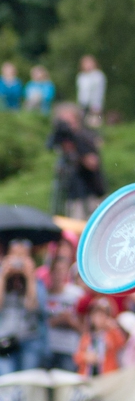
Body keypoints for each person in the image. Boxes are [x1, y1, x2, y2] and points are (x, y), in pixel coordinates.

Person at [47, 103, 106, 220]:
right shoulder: (63, 139)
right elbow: (50, 147)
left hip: (90, 194)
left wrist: (76, 147)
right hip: (71, 195)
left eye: (70, 121)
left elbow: (93, 163)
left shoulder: (85, 137)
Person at [0, 239, 47, 374]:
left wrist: (30, 277)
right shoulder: (2, 277)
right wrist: (3, 276)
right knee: (7, 382)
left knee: (27, 383)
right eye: (15, 256)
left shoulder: (36, 282)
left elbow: (32, 307)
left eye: (23, 257)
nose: (18, 262)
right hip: (5, 341)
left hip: (29, 342)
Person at [44, 256, 84, 371]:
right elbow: (40, 324)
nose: (58, 275)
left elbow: (84, 327)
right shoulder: (44, 295)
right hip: (49, 348)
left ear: (66, 273)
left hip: (70, 349)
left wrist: (70, 321)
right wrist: (59, 320)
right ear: (50, 273)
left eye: (61, 271)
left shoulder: (77, 295)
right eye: (55, 271)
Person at [73, 298, 126, 376]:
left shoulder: (111, 334)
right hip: (88, 374)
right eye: (95, 315)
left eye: (102, 315)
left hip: (107, 375)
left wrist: (114, 328)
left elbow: (121, 344)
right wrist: (86, 357)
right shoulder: (87, 336)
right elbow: (77, 357)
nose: (98, 318)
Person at [76, 55, 107, 125]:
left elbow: (99, 91)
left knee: (95, 122)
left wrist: (97, 105)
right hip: (83, 103)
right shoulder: (81, 76)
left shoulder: (98, 76)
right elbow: (81, 92)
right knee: (83, 123)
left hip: (95, 103)